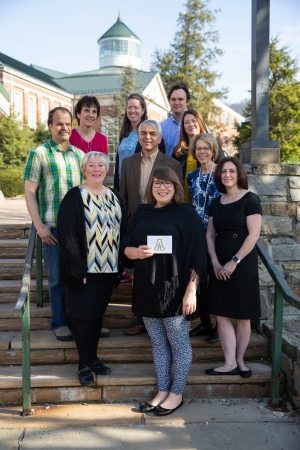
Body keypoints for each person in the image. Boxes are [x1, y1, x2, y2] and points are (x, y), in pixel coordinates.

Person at [123, 167, 207, 416]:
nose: (162, 188)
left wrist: (191, 290)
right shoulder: (142, 212)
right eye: (157, 183)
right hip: (147, 288)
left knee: (178, 343)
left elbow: (198, 256)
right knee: (158, 343)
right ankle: (162, 390)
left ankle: (176, 393)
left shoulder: (186, 214)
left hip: (175, 289)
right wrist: (135, 252)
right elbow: (126, 248)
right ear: (151, 187)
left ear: (176, 187)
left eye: (167, 183)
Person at [57, 152, 126, 386]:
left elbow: (122, 230)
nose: (96, 169)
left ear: (107, 169)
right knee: (84, 318)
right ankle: (83, 364)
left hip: (108, 270)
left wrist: (121, 267)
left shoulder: (115, 196)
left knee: (96, 317)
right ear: (84, 168)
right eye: (91, 165)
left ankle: (93, 358)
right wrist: (78, 270)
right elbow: (67, 237)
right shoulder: (74, 197)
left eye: (101, 165)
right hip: (84, 272)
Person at [23, 107, 84, 341]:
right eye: (59, 123)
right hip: (52, 230)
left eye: (68, 123)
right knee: (57, 278)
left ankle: (81, 319)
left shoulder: (79, 155)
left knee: (78, 276)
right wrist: (38, 225)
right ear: (50, 126)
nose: (64, 127)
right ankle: (59, 321)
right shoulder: (38, 154)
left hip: (77, 229)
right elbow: (29, 192)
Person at [120, 119, 183, 336]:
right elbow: (124, 198)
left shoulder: (172, 164)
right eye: (143, 133)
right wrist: (125, 228)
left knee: (162, 271)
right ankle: (142, 319)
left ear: (160, 138)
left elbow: (177, 198)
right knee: (140, 274)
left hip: (163, 226)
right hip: (137, 226)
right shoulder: (127, 163)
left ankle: (165, 317)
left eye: (152, 133)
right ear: (138, 136)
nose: (148, 137)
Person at [205, 157, 262, 378]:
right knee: (221, 313)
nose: (227, 175)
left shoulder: (250, 199)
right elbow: (210, 234)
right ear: (219, 176)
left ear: (239, 174)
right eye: (223, 172)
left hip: (242, 263)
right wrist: (216, 262)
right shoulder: (216, 202)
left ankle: (240, 360)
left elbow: (254, 234)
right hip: (219, 263)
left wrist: (233, 262)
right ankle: (228, 363)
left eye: (231, 171)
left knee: (243, 315)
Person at [187, 133, 222, 344]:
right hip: (197, 235)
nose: (202, 152)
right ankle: (205, 322)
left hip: (218, 233)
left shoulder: (222, 173)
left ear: (213, 150)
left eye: (206, 148)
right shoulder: (192, 176)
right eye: (198, 148)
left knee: (217, 280)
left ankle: (220, 325)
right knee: (199, 280)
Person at [114, 93, 165, 191]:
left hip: (142, 186)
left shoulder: (151, 133)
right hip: (122, 185)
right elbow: (119, 161)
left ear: (143, 110)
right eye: (129, 108)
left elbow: (161, 159)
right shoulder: (124, 133)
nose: (132, 111)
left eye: (136, 108)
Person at [161, 84, 190, 157]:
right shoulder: (161, 127)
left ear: (187, 101)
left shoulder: (198, 125)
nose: (176, 103)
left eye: (180, 99)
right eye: (173, 99)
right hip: (167, 167)